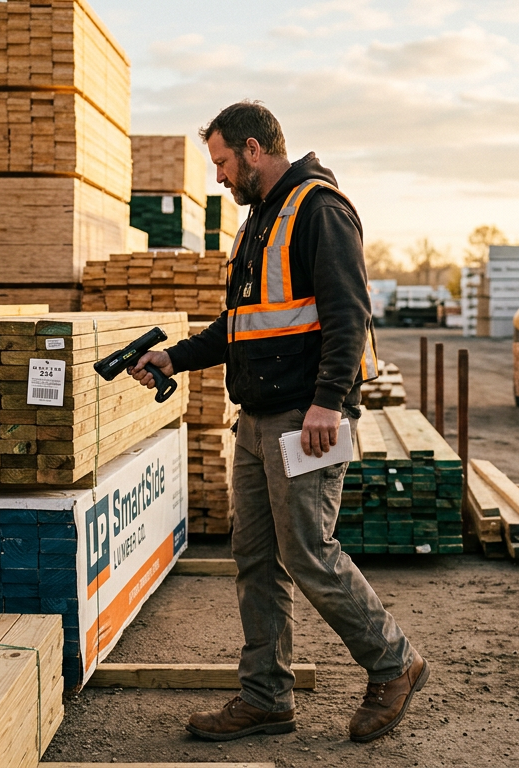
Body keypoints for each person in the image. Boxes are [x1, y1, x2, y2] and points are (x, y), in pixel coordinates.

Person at [128, 101, 425, 744]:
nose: (219, 178)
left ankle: (394, 662)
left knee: (308, 552)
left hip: (306, 419)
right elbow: (239, 330)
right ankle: (266, 697)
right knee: (257, 558)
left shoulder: (318, 209)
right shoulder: (257, 224)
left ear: (256, 149)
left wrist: (327, 401)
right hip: (257, 422)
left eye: (223, 162)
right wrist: (173, 357)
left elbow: (350, 317)